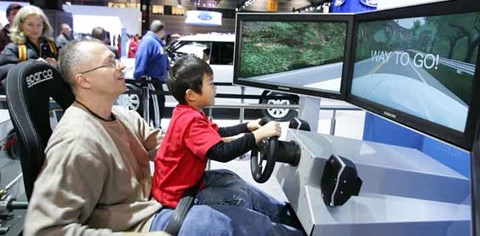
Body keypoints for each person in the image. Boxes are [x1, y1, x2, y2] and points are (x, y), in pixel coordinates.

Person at [24, 39, 298, 235]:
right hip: (136, 222)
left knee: (231, 183)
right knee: (220, 224)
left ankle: (290, 219)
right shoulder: (77, 142)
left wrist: (227, 137)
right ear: (84, 80)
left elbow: (172, 145)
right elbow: (47, 229)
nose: (121, 66)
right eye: (110, 63)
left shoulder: (122, 115)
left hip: (153, 198)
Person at [152, 55, 304, 234]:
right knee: (238, 197)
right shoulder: (190, 121)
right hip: (178, 196)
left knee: (232, 179)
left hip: (187, 185)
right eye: (210, 84)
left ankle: (288, 218)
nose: (215, 88)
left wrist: (246, 127)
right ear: (191, 95)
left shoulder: (188, 113)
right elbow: (221, 152)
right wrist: (258, 135)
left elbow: (217, 134)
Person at [0, 5, 58, 90]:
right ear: (20, 25)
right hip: (25, 98)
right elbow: (4, 75)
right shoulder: (13, 49)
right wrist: (31, 66)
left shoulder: (52, 47)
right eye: (30, 25)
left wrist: (56, 66)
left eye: (39, 24)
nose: (35, 29)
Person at [134, 20, 169, 127]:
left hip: (156, 80)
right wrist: (138, 76)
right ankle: (155, 127)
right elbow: (141, 58)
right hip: (150, 79)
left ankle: (156, 126)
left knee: (158, 103)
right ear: (162, 30)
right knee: (154, 105)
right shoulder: (149, 41)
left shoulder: (155, 42)